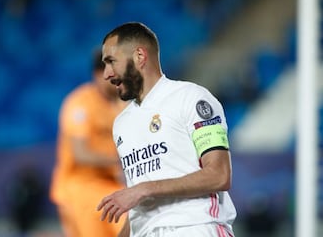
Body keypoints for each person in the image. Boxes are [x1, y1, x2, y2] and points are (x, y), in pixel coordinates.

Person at [97, 22, 237, 237]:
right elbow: (139, 206)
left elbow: (219, 175)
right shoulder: (121, 123)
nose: (107, 74)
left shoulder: (191, 98)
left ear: (139, 57)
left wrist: (143, 189)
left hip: (194, 227)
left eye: (111, 62)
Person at [50, 50, 126, 237]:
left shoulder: (122, 105)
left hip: (110, 186)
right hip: (80, 186)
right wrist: (119, 162)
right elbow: (80, 153)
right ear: (99, 74)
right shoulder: (80, 104)